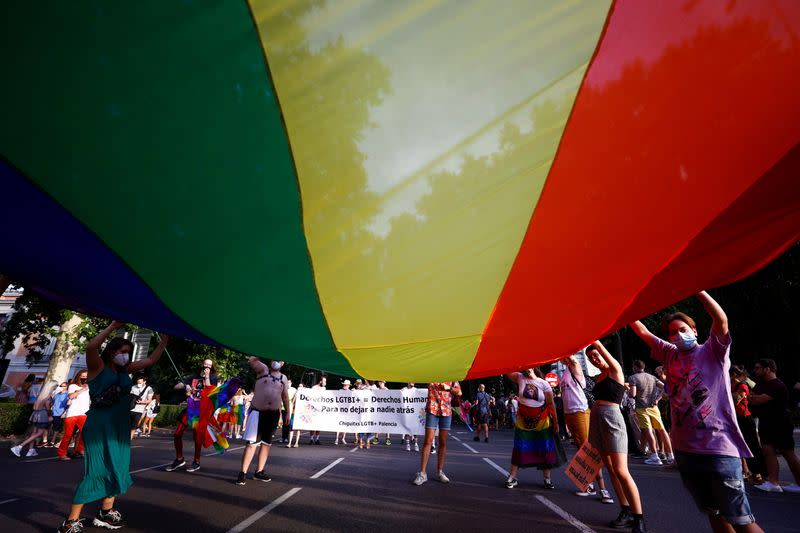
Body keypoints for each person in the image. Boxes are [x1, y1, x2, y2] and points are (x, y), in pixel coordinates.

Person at [631, 291, 763, 533]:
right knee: (714, 515)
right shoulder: (670, 353)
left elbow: (721, 321)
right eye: (672, 332)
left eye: (683, 329)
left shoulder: (713, 351)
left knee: (742, 521)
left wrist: (697, 288)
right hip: (686, 452)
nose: (678, 335)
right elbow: (641, 331)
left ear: (695, 331)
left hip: (719, 451)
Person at [56, 321, 168, 533]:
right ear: (112, 351)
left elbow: (151, 359)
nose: (125, 355)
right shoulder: (97, 367)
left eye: (128, 352)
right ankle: (71, 522)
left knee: (117, 467)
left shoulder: (127, 370)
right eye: (121, 351)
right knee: (96, 470)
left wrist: (163, 341)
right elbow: (90, 347)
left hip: (119, 426)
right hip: (100, 426)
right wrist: (113, 326)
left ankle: (105, 512)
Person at [584, 342, 646, 532]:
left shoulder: (614, 370)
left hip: (612, 419)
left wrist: (594, 339)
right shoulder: (599, 376)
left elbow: (602, 351)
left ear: (603, 354)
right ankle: (625, 510)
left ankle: (639, 519)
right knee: (610, 468)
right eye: (591, 357)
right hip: (597, 420)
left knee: (621, 470)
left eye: (597, 354)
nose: (595, 358)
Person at [560, 354, 613, 504]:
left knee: (590, 451)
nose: (561, 358)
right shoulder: (564, 373)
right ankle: (589, 486)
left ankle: (603, 489)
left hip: (581, 412)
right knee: (581, 451)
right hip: (569, 414)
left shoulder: (575, 368)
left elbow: (572, 358)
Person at [503, 368, 565, 491]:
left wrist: (556, 423)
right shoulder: (519, 377)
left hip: (542, 421)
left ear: (534, 366)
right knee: (519, 447)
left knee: (545, 448)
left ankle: (547, 479)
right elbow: (506, 369)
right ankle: (512, 477)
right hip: (523, 420)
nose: (526, 368)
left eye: (529, 366)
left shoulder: (544, 384)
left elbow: (551, 404)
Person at [235, 359, 289, 485]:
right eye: (275, 358)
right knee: (251, 444)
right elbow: (251, 359)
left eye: (280, 359)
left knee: (266, 444)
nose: (277, 361)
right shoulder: (263, 370)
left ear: (283, 363)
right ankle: (242, 473)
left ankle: (259, 472)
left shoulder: (283, 378)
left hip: (273, 415)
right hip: (257, 413)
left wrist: (288, 413)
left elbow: (285, 397)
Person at [750, 359, 800, 493]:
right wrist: (755, 398)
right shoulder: (761, 384)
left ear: (767, 369)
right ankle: (773, 483)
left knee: (788, 453)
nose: (755, 370)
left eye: (758, 368)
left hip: (781, 424)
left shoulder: (778, 385)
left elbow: (757, 399)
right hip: (766, 423)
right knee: (767, 450)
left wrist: (756, 398)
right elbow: (752, 398)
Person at [167, 359, 218, 473]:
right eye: (205, 364)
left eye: (209, 365)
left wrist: (207, 377)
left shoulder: (213, 378)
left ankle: (196, 461)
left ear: (212, 367)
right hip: (190, 408)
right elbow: (178, 386)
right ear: (202, 364)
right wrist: (184, 386)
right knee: (177, 433)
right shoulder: (193, 377)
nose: (207, 367)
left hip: (201, 411)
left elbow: (210, 389)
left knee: (197, 436)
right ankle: (179, 459)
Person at [413, 381, 461, 485]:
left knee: (443, 442)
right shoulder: (431, 371)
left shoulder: (451, 375)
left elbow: (459, 392)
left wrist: (448, 387)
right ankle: (423, 473)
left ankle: (440, 472)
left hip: (446, 411)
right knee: (428, 440)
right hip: (432, 409)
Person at [627, 360, 673, 465]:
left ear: (635, 367)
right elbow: (665, 387)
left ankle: (654, 456)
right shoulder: (652, 377)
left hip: (641, 407)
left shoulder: (633, 378)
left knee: (648, 430)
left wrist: (628, 390)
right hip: (654, 406)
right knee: (662, 430)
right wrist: (657, 399)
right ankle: (670, 455)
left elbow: (633, 394)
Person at [11, 381, 56, 458]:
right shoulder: (48, 397)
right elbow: (48, 408)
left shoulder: (40, 395)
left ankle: (31, 450)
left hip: (35, 414)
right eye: (56, 385)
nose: (56, 387)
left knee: (34, 432)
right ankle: (19, 447)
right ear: (52, 387)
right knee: (39, 433)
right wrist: (50, 415)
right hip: (42, 415)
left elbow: (35, 406)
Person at [58, 369, 91, 461]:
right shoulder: (72, 386)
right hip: (72, 413)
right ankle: (62, 453)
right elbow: (71, 396)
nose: (85, 378)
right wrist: (83, 389)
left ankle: (79, 450)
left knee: (85, 433)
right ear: (79, 376)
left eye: (86, 377)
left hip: (84, 413)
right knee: (68, 434)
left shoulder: (90, 386)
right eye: (83, 376)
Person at [129, 374, 153, 440]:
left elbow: (149, 400)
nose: (138, 384)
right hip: (130, 408)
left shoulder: (149, 389)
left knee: (134, 425)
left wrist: (142, 402)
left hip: (139, 410)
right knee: (127, 424)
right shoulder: (133, 387)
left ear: (144, 381)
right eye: (138, 382)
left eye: (140, 382)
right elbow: (129, 397)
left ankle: (130, 438)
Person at [49, 381, 70, 447]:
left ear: (67, 387)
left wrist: (64, 413)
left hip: (61, 414)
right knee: (53, 428)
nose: (62, 387)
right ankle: (50, 441)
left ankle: (53, 441)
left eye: (64, 386)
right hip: (54, 413)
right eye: (61, 386)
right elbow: (52, 402)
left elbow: (68, 405)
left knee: (58, 428)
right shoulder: (57, 394)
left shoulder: (67, 394)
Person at [402, 382, 420, 452]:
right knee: (407, 429)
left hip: (415, 412)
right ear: (408, 382)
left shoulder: (416, 390)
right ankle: (408, 444)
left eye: (414, 382)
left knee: (415, 429)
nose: (413, 383)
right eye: (411, 381)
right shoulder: (404, 389)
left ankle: (416, 444)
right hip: (407, 411)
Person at [309, 376, 326, 445]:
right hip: (313, 409)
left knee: (319, 425)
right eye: (324, 381)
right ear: (320, 381)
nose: (325, 382)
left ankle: (317, 439)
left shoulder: (324, 388)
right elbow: (310, 396)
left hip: (320, 409)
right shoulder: (314, 388)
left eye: (325, 381)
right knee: (313, 424)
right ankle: (311, 439)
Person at [335, 380, 351, 445]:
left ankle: (343, 438)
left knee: (345, 425)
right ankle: (336, 438)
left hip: (347, 411)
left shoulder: (351, 392)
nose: (344, 386)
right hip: (340, 410)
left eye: (346, 385)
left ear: (348, 386)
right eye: (344, 384)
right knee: (338, 425)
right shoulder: (340, 391)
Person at [287, 384, 303, 448]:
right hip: (294, 413)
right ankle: (289, 443)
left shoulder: (305, 396)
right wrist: (296, 395)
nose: (299, 387)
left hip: (300, 414)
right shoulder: (295, 394)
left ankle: (296, 443)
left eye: (301, 386)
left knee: (298, 429)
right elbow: (292, 402)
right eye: (299, 386)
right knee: (291, 428)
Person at [281, 379, 297, 444]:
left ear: (291, 383)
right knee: (284, 423)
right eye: (287, 383)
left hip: (290, 408)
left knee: (288, 423)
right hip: (283, 408)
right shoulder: (283, 389)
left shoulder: (294, 390)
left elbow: (296, 397)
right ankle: (283, 437)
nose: (289, 384)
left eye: (290, 382)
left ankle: (287, 438)